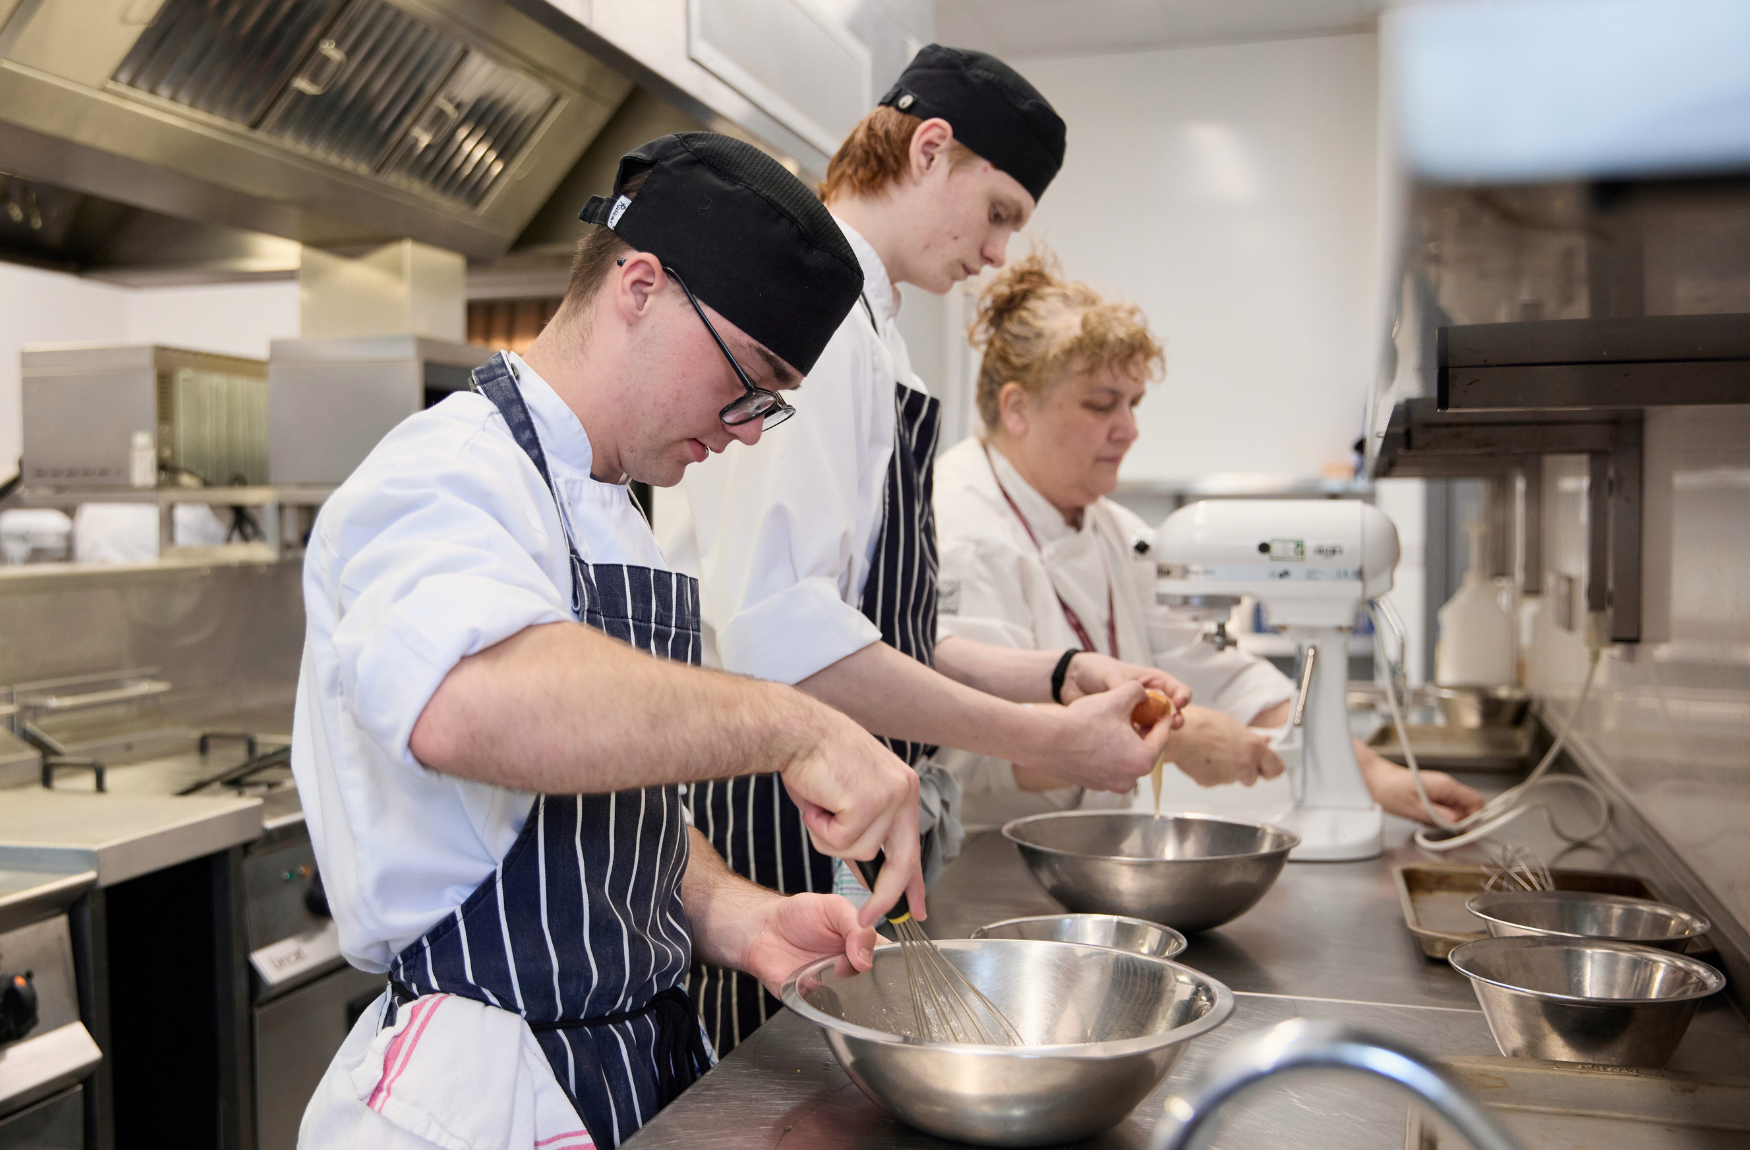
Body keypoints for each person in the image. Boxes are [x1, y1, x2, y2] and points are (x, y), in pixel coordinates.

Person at [292, 133, 929, 1150]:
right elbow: (477, 706)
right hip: (480, 1090)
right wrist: (795, 726)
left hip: (634, 1063)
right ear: (640, 286)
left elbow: (606, 813)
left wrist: (734, 915)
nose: (751, 429)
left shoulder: (617, 514)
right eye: (748, 379)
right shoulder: (441, 474)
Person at [664, 46, 1208, 1054]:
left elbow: (872, 629)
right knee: (775, 1100)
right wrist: (1044, 738)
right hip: (775, 813)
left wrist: (1055, 674)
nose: (1000, 253)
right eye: (999, 211)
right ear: (928, 148)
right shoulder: (816, 318)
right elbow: (787, 639)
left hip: (838, 804)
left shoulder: (871, 325)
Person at [933, 250, 1486, 831]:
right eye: (1101, 404)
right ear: (1016, 407)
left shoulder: (1110, 528)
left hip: (1080, 846)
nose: (1130, 428)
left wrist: (1377, 775)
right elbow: (985, 746)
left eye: (1133, 403)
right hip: (991, 862)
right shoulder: (965, 530)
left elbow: (1219, 671)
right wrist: (1171, 737)